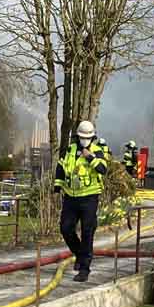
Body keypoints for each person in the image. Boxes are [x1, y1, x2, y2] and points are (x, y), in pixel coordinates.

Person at [54, 120, 109, 283]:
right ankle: (80, 254)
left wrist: (90, 157)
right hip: (70, 196)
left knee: (87, 232)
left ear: (92, 137)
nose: (84, 140)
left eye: (88, 137)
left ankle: (84, 268)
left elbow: (103, 169)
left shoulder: (97, 150)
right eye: (82, 137)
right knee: (65, 228)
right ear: (77, 136)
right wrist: (57, 188)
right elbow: (60, 168)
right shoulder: (69, 150)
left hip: (89, 197)